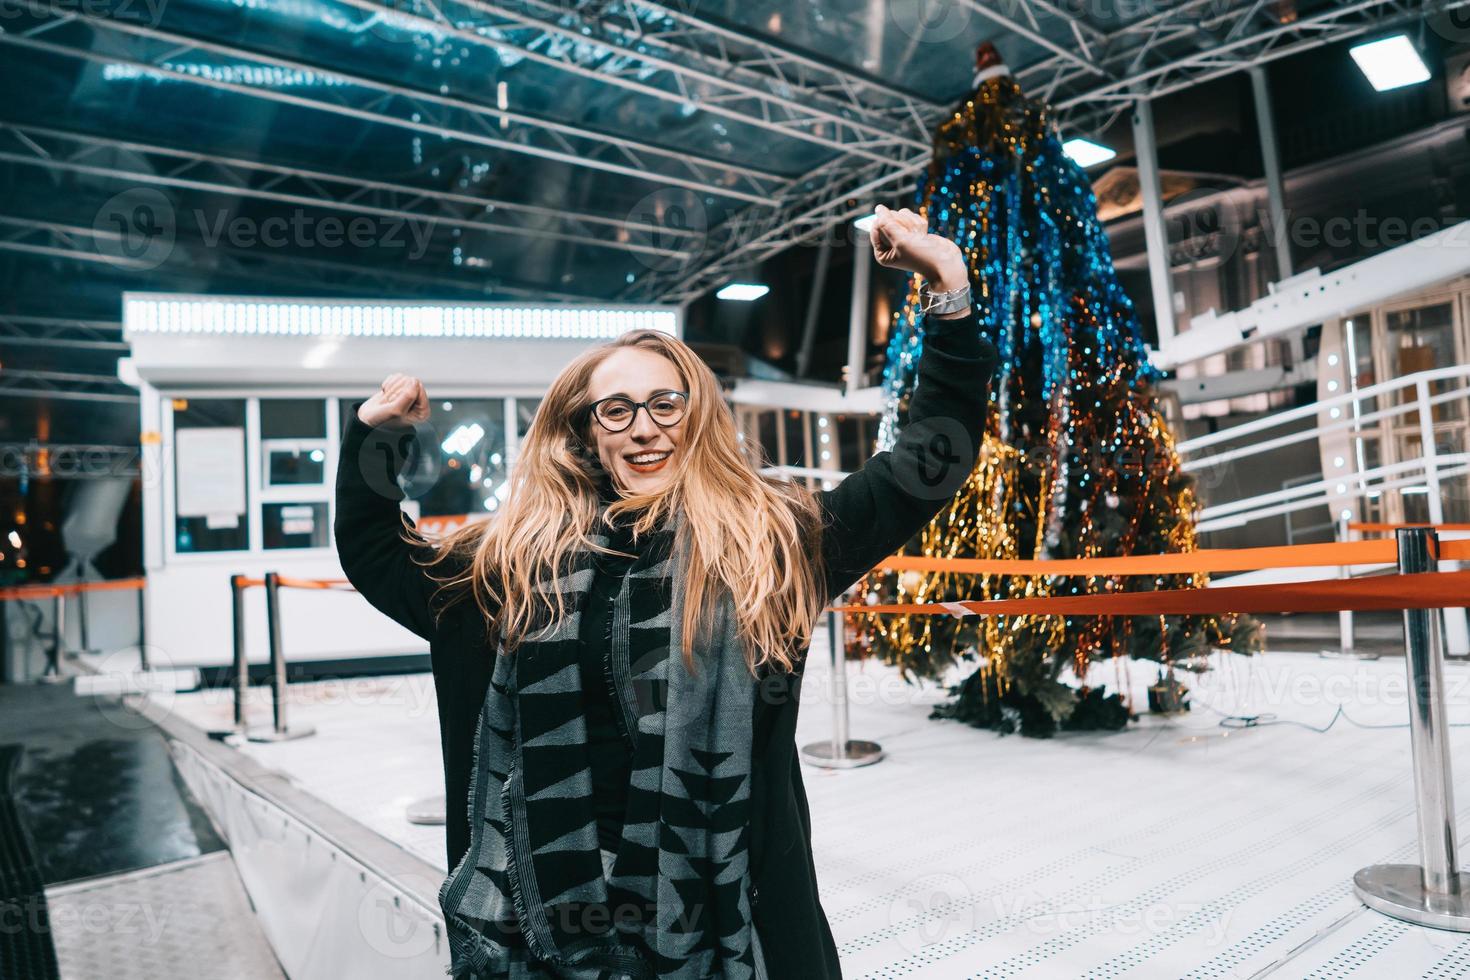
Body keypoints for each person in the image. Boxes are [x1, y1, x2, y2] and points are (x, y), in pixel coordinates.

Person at [335, 204, 998, 980]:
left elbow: (924, 469)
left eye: (664, 404)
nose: (644, 427)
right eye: (616, 410)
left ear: (695, 416)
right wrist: (377, 437)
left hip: (726, 926)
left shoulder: (766, 545)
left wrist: (948, 291)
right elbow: (380, 553)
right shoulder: (514, 564)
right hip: (545, 932)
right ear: (585, 431)